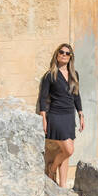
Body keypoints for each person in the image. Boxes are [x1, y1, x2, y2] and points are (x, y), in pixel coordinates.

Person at [38, 42, 85, 188]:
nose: (64, 55)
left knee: (66, 152)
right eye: (61, 52)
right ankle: (51, 169)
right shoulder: (50, 75)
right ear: (57, 55)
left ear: (71, 57)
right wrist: (43, 118)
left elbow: (76, 96)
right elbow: (43, 97)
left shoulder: (74, 74)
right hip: (56, 116)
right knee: (68, 150)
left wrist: (81, 114)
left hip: (69, 117)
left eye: (67, 53)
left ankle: (62, 185)